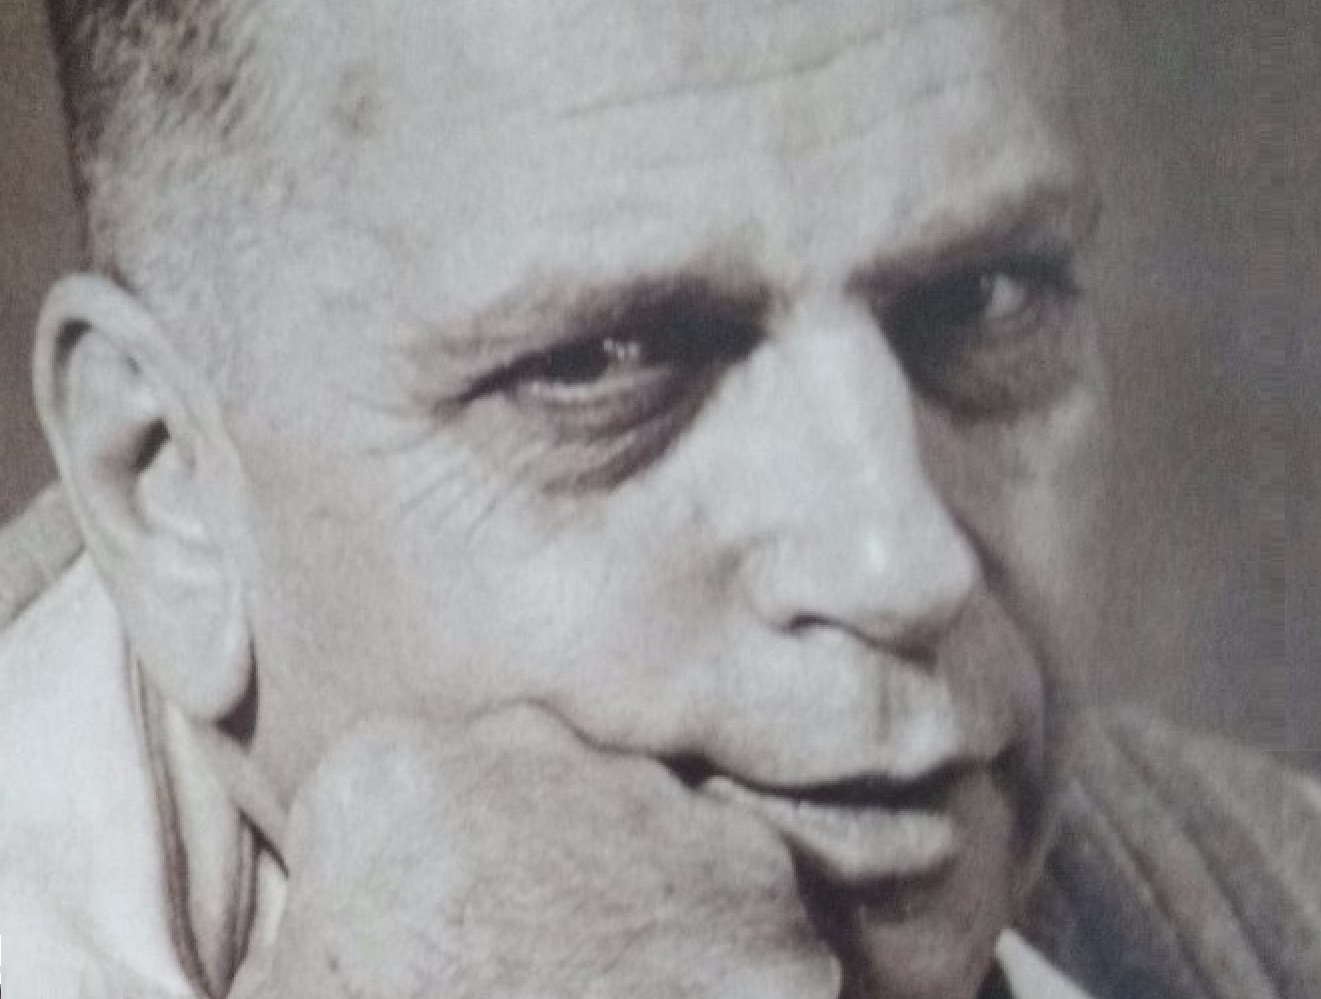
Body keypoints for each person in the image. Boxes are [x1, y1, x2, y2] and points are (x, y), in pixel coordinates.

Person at [0, 0, 1317, 997]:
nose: (900, 560)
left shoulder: (1274, 898)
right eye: (604, 363)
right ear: (164, 487)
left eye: (981, 299)